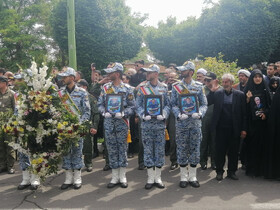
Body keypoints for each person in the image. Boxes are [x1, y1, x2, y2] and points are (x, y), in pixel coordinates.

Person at [98, 62, 135, 188]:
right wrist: (104, 113)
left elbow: (133, 106)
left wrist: (124, 113)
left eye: (111, 72)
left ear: (118, 74)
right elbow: (100, 104)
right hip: (109, 122)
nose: (108, 74)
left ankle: (123, 176)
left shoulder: (128, 89)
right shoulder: (105, 88)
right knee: (112, 148)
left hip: (122, 122)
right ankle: (114, 176)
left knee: (122, 148)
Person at [171, 61, 207, 188]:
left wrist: (200, 113)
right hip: (181, 123)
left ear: (191, 72)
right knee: (181, 148)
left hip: (195, 123)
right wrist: (178, 114)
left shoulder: (198, 86)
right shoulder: (176, 87)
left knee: (195, 149)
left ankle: (193, 176)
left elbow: (204, 104)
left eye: (184, 70)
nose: (181, 72)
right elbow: (173, 104)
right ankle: (183, 177)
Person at [136, 64, 170, 190]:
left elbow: (168, 105)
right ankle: (150, 177)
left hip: (160, 125)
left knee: (160, 151)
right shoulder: (142, 88)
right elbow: (137, 105)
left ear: (156, 74)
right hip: (147, 124)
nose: (147, 74)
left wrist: (164, 114)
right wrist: (143, 115)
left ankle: (158, 177)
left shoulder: (164, 88)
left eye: (149, 72)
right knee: (148, 151)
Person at [207, 73, 247, 181]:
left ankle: (231, 172)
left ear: (232, 83)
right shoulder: (217, 94)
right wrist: (212, 91)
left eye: (227, 82)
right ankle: (219, 172)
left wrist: (243, 129)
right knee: (220, 151)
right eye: (223, 82)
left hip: (235, 128)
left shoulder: (240, 95)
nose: (225, 84)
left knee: (233, 152)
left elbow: (244, 113)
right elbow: (207, 102)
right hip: (220, 128)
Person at [58, 67, 91, 190]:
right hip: (63, 128)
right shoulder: (60, 93)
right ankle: (68, 178)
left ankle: (77, 178)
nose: (63, 79)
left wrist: (79, 124)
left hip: (77, 128)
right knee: (66, 152)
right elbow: (57, 110)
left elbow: (87, 111)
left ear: (72, 78)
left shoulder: (82, 92)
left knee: (77, 152)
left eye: (65, 77)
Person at [244, 69, 271, 177]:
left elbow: (270, 105)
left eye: (260, 76)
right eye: (255, 77)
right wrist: (247, 98)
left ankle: (261, 169)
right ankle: (251, 169)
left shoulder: (265, 90)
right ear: (252, 78)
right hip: (251, 123)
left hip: (263, 124)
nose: (258, 78)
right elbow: (243, 108)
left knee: (262, 146)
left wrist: (266, 114)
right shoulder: (248, 90)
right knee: (251, 146)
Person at [200, 72, 222, 170]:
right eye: (205, 80)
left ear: (214, 80)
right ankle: (203, 161)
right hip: (204, 119)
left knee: (215, 142)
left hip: (216, 119)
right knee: (203, 141)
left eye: (208, 80)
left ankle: (214, 162)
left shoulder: (221, 90)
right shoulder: (201, 90)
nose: (206, 82)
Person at [77, 79, 100, 172]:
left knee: (88, 145)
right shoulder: (75, 96)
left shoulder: (91, 98)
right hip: (77, 124)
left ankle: (88, 163)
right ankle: (77, 163)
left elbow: (96, 113)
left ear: (85, 87)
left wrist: (94, 126)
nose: (78, 88)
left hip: (87, 125)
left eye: (80, 86)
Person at [0, 76, 16, 174]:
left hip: (9, 124)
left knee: (10, 145)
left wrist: (13, 123)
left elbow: (16, 110)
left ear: (5, 83)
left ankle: (10, 166)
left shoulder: (12, 94)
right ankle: (2, 165)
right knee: (0, 145)